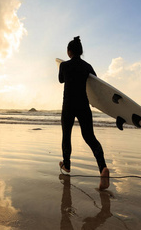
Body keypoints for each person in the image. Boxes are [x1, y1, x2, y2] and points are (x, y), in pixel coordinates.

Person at [58, 36, 110, 190]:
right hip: (83, 105)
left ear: (69, 52)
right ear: (80, 51)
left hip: (68, 105)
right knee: (90, 137)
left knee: (66, 135)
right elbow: (96, 84)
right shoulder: (87, 66)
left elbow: (61, 80)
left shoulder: (64, 65)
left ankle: (67, 165)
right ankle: (103, 168)